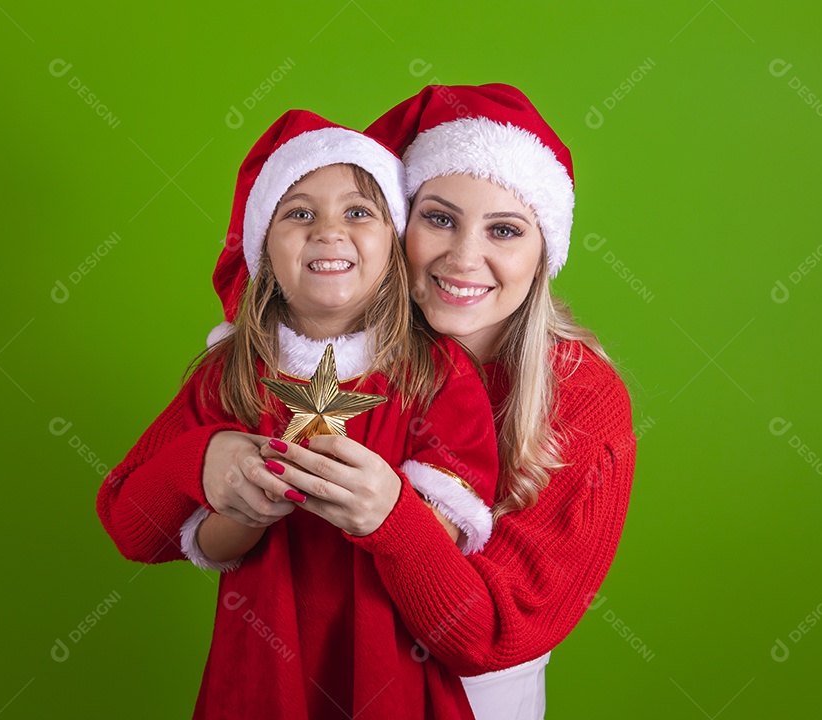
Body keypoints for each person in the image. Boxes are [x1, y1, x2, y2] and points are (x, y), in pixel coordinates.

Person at [97, 108, 500, 719]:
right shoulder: (228, 375)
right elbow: (136, 530)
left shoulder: (437, 375)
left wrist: (385, 509)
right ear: (265, 245)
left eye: (359, 212)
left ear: (395, 242)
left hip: (389, 675)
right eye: (299, 213)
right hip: (259, 676)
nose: (328, 232)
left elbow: (443, 552)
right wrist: (224, 485)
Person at [250, 84, 636, 719]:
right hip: (319, 678)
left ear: (545, 253)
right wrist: (210, 458)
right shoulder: (338, 348)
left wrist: (393, 520)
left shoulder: (580, 397)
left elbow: (494, 635)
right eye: (438, 218)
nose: (463, 257)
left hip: (478, 700)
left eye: (505, 230)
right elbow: (145, 516)